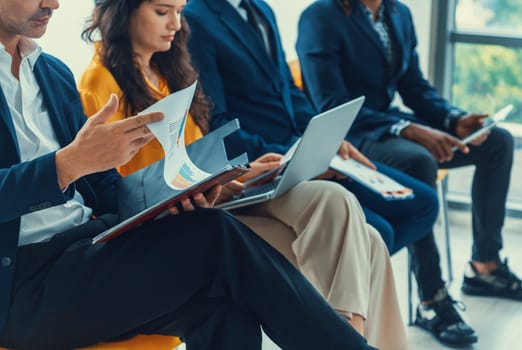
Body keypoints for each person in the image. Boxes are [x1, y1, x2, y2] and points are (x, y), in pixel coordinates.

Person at [0, 0, 381, 349]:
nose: (53, 3)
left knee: (223, 308)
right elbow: (72, 168)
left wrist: (175, 195)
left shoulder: (51, 73)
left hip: (84, 249)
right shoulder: (89, 79)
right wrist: (68, 164)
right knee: (214, 235)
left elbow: (100, 189)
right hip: (21, 281)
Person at [296, 0, 522, 346]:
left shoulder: (397, 13)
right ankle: (431, 298)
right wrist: (406, 129)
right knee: (418, 160)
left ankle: (484, 266)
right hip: (354, 137)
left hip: (391, 124)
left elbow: (414, 86)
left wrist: (452, 119)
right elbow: (330, 105)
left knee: (498, 142)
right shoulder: (320, 17)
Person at [183, 0, 439, 257]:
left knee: (424, 205)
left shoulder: (260, 8)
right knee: (378, 231)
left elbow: (288, 89)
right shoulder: (196, 18)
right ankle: (333, 283)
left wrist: (322, 138)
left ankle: (336, 282)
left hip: (299, 149)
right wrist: (293, 158)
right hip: (266, 163)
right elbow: (217, 126)